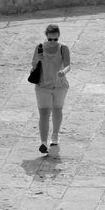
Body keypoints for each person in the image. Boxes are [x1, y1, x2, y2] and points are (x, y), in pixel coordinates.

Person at [31, 24, 71, 157]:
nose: (53, 42)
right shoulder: (40, 47)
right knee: (44, 113)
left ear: (58, 37)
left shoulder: (63, 48)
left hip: (60, 85)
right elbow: (33, 65)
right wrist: (39, 59)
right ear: (46, 37)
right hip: (43, 85)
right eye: (50, 39)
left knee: (57, 110)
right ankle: (43, 142)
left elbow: (68, 64)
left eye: (55, 39)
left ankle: (55, 136)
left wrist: (63, 71)